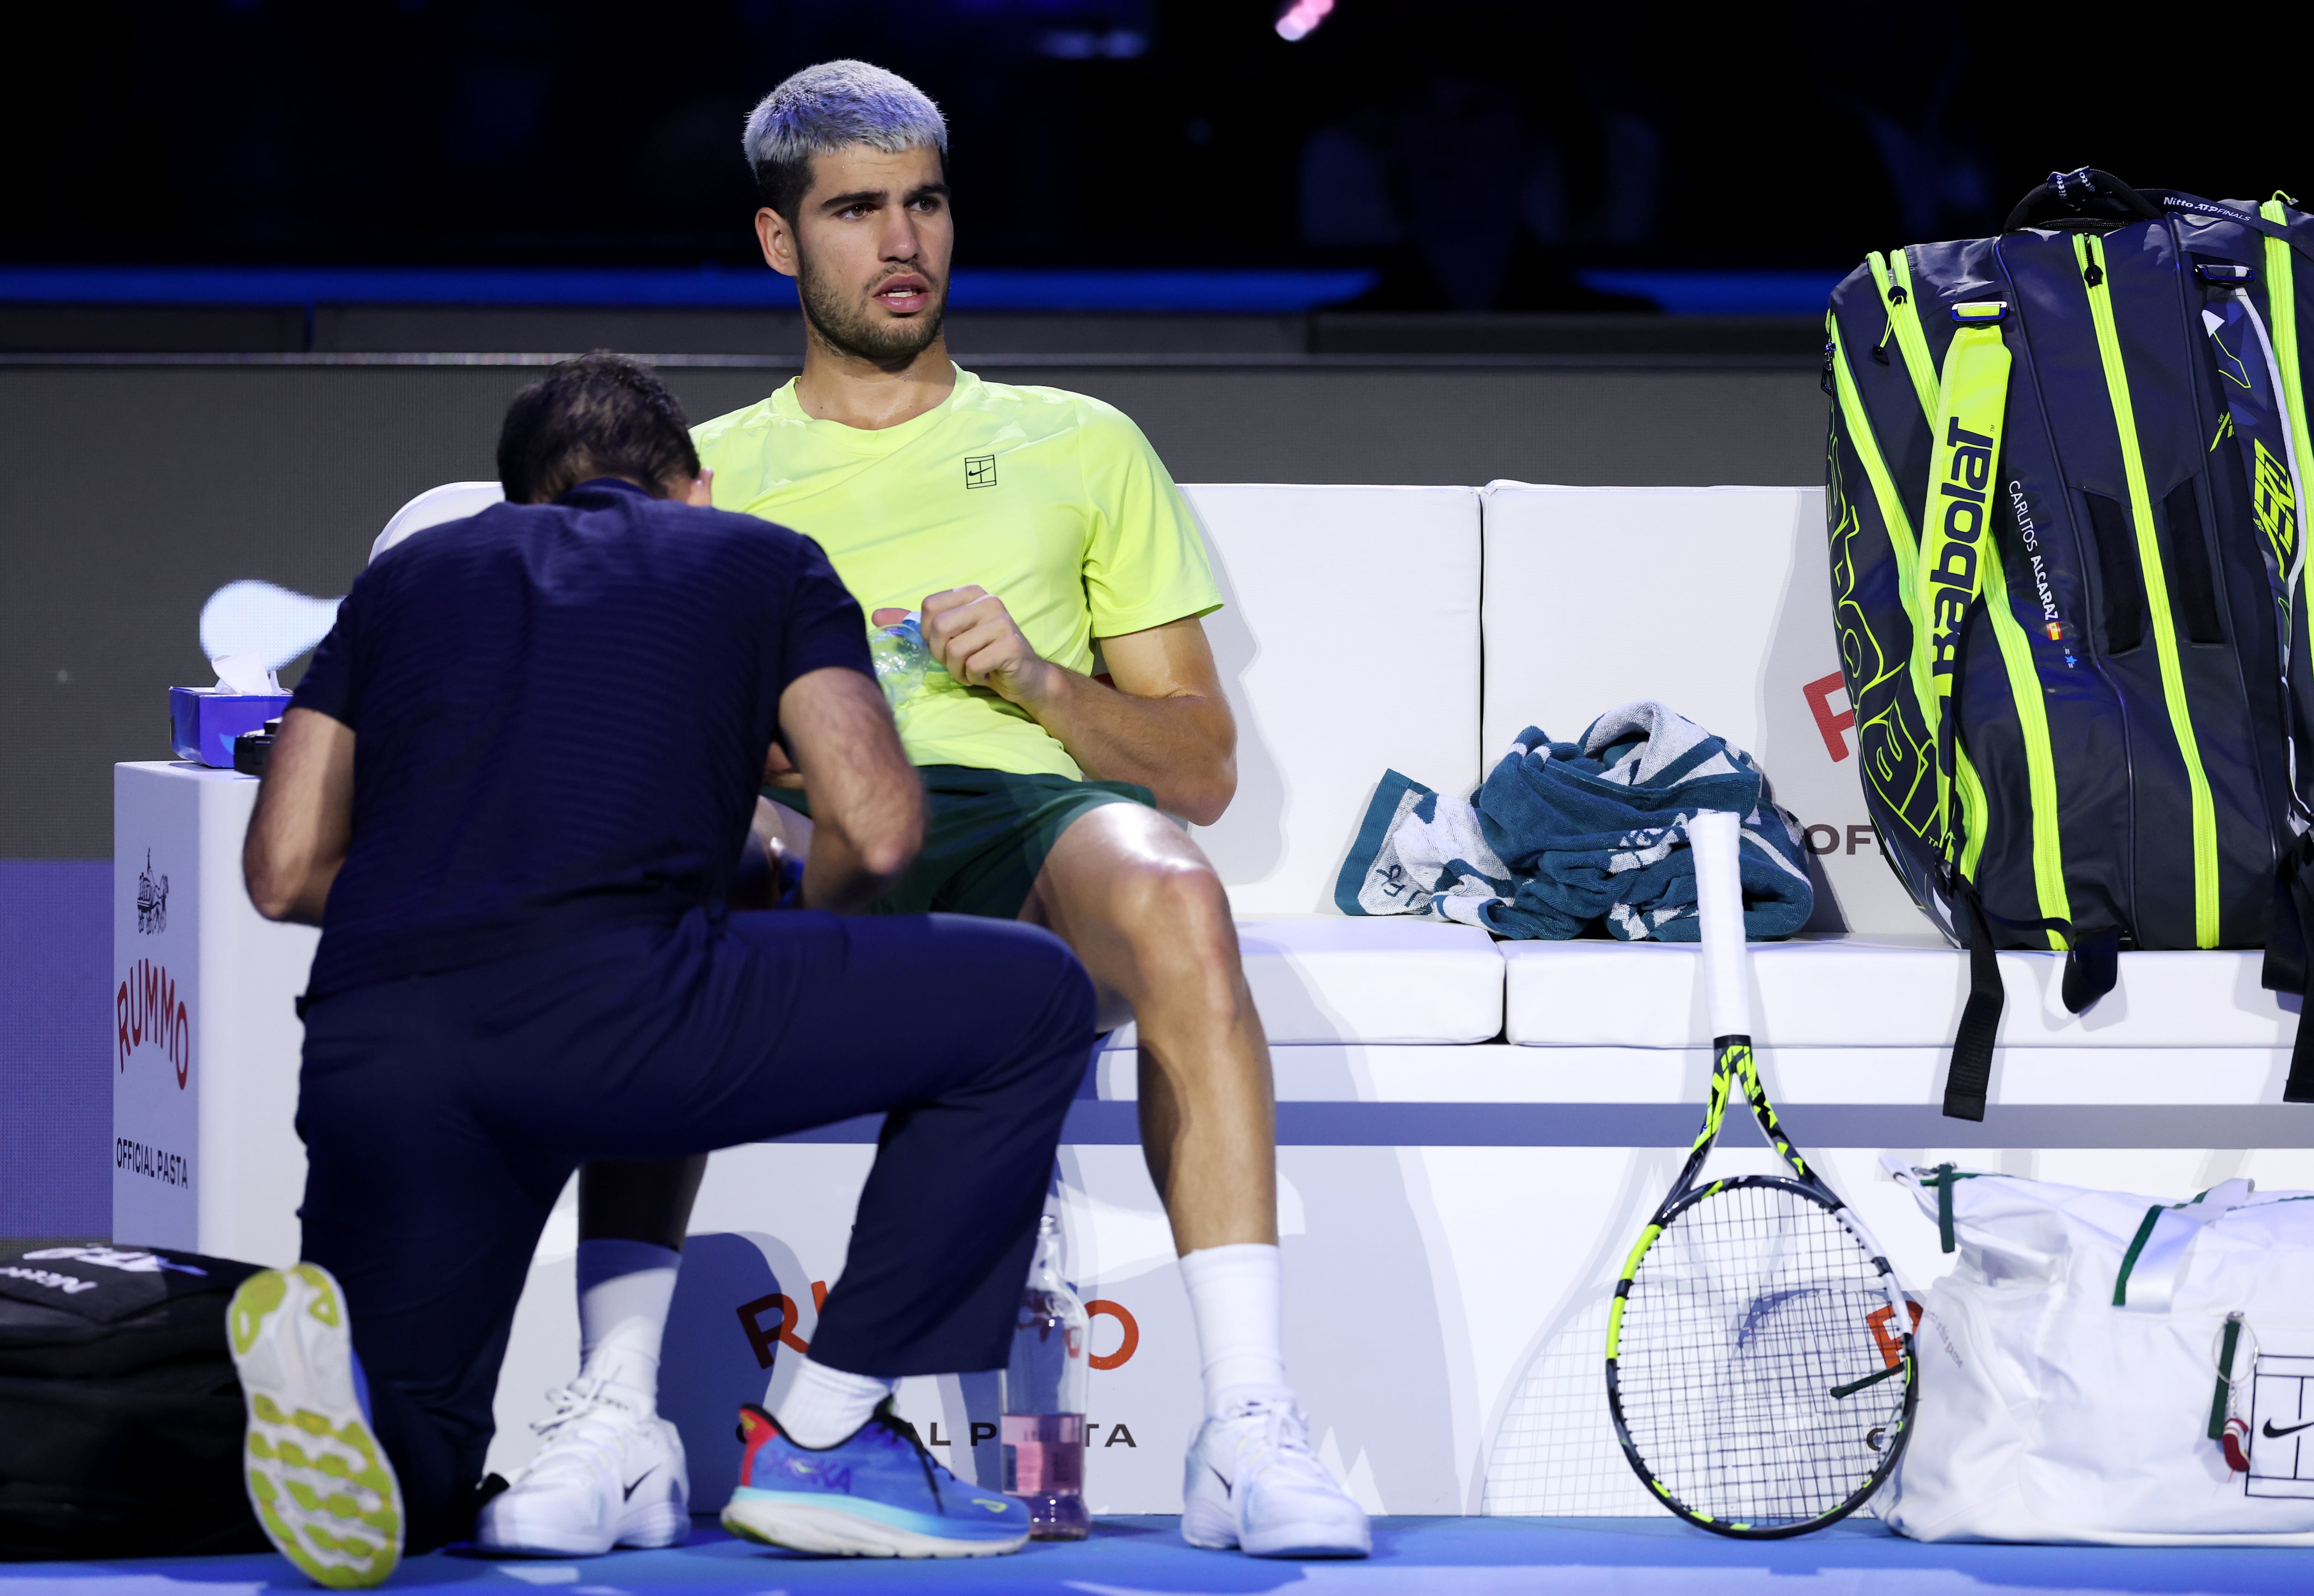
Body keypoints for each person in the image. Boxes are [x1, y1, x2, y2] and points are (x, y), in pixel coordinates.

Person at [482, 62, 1370, 1561]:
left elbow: (1199, 765)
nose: (903, 242)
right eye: (855, 211)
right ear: (781, 243)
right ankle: (618, 1416)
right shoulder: (715, 476)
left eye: (926, 202)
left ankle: (1248, 1424)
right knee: (665, 879)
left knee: (1174, 881)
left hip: (1032, 828)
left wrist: (1033, 677)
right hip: (815, 834)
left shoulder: (1081, 442)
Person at [232, 353, 1095, 1585]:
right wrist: (793, 917)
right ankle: (831, 1435)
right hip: (622, 1009)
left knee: (416, 1477)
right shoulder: (758, 555)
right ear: (693, 490)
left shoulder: (406, 578)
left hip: (384, 1041)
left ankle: (361, 1411)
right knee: (1031, 998)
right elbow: (882, 826)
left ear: (517, 502)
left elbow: (281, 870)